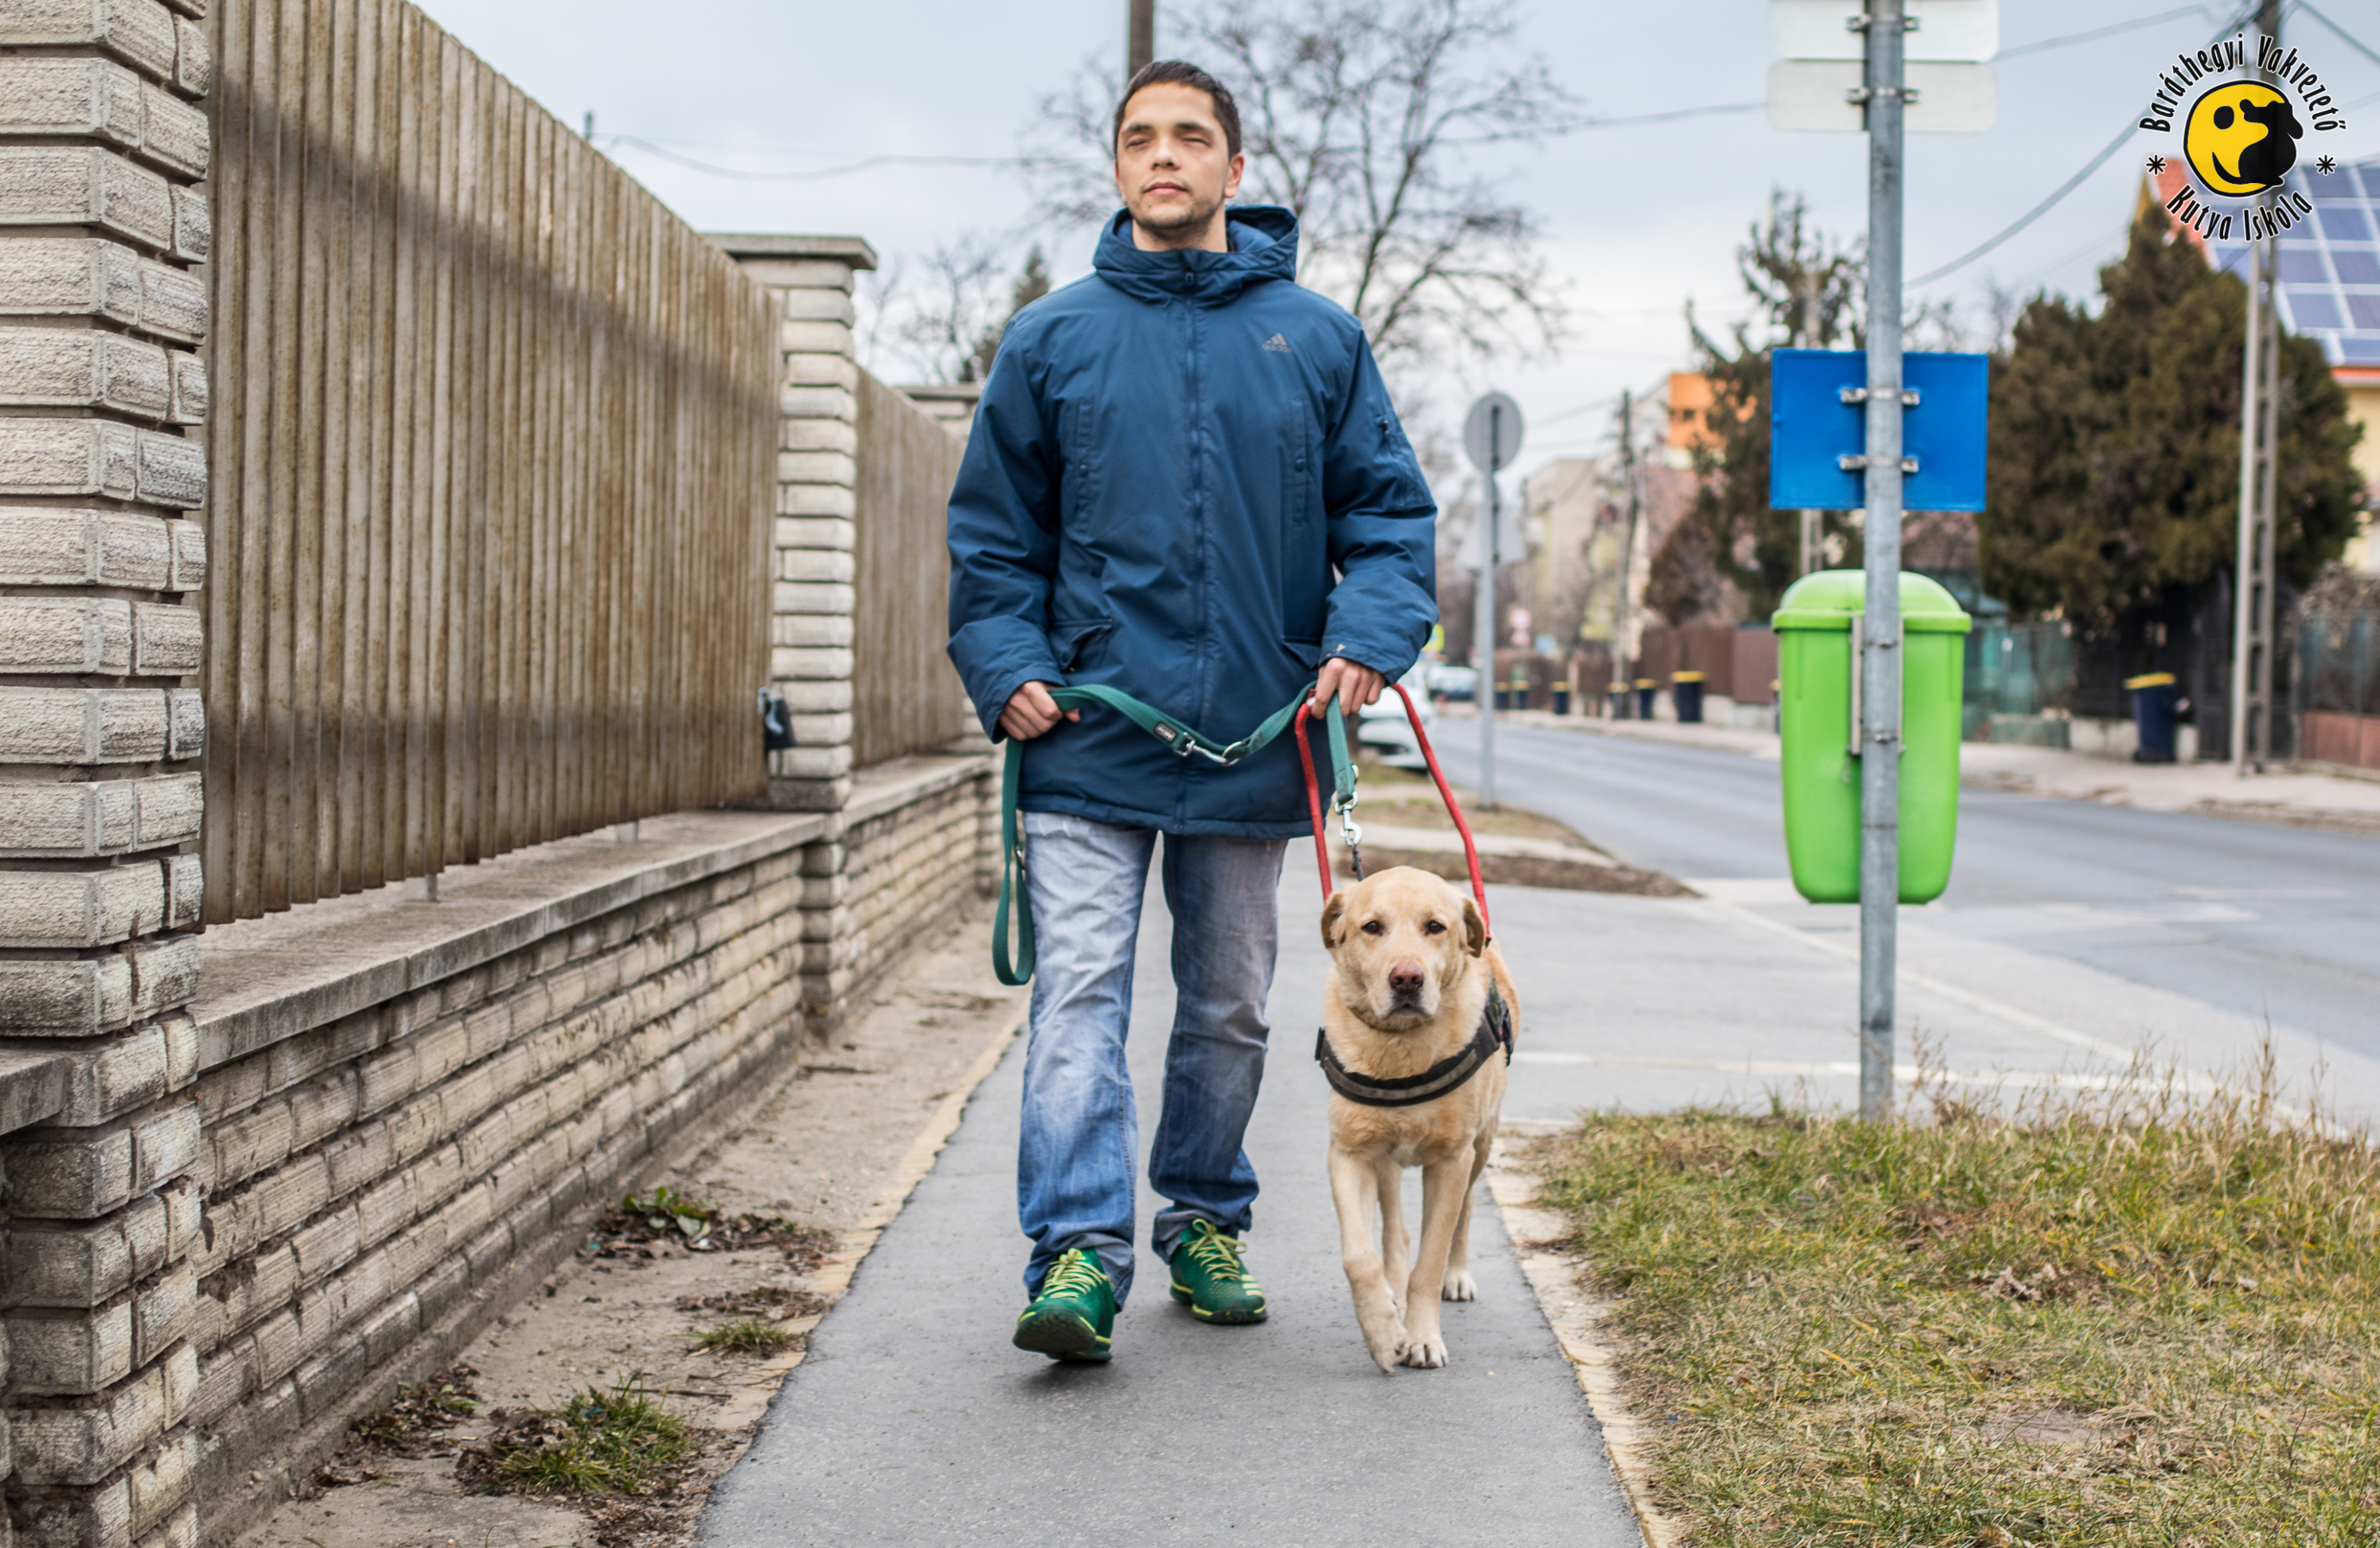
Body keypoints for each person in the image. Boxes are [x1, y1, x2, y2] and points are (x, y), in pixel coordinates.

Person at [945, 59, 1437, 1363]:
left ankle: (1203, 1218)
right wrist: (1004, 666)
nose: (1162, 157)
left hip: (1254, 736)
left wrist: (1366, 638)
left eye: (1189, 138)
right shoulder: (1050, 340)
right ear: (1117, 168)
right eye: (1137, 139)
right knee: (1080, 998)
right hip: (1084, 732)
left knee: (1227, 1003)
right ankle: (1075, 1252)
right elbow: (992, 543)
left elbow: (1387, 521)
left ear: (1231, 165)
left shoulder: (1315, 338)